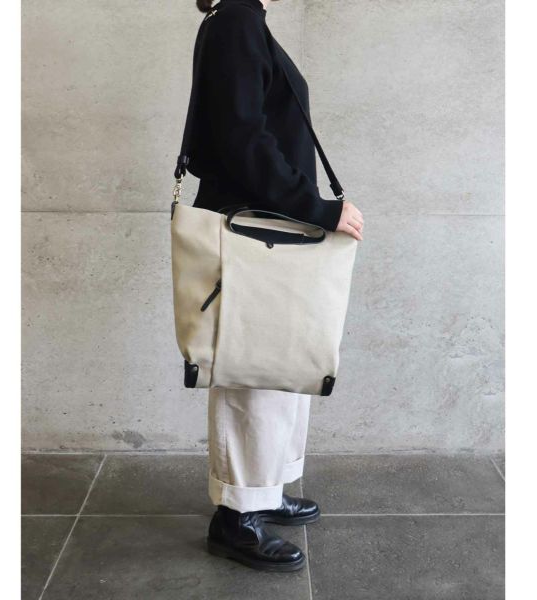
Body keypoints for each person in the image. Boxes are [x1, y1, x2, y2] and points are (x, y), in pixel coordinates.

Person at [184, 0, 364, 572]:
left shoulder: (246, 19)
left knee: (282, 366)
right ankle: (235, 518)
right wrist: (317, 207)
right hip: (252, 229)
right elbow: (242, 139)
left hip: (269, 227)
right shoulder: (236, 20)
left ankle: (264, 492)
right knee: (253, 372)